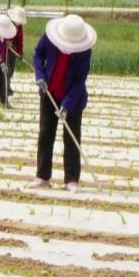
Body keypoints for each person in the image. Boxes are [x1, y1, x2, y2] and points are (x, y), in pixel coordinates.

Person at [31, 14, 96, 191]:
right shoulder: (50, 38)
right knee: (45, 135)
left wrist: (66, 106)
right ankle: (42, 176)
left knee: (71, 138)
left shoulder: (84, 51)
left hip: (73, 99)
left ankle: (71, 180)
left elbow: (78, 82)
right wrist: (40, 76)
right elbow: (38, 55)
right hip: (49, 93)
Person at [6, 6, 28, 97]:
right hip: (5, 50)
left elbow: (20, 40)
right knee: (7, 70)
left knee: (11, 70)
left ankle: (8, 86)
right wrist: (7, 42)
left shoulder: (19, 26)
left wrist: (20, 52)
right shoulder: (7, 23)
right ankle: (6, 88)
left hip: (13, 50)